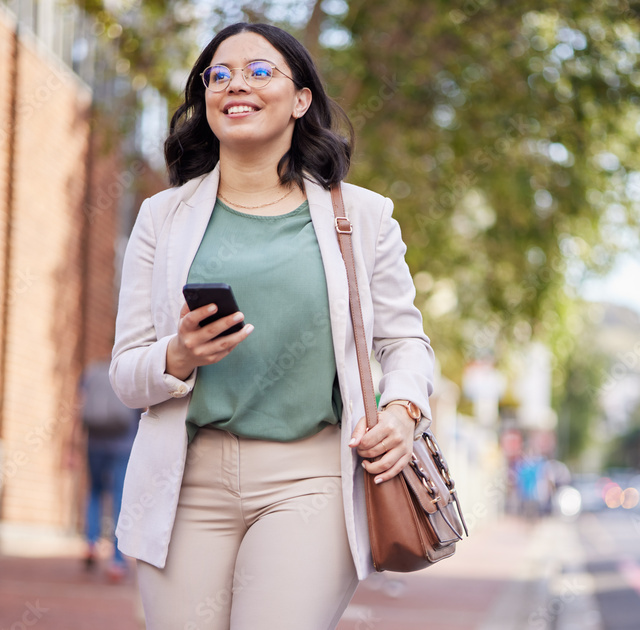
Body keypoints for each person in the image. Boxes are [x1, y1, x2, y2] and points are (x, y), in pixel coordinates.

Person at [109, 22, 434, 630]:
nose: (238, 85)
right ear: (205, 98)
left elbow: (403, 341)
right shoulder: (163, 218)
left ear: (301, 99)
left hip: (310, 480)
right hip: (185, 483)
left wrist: (403, 409)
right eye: (220, 74)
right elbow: (127, 376)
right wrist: (178, 355)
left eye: (261, 72)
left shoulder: (361, 216)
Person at [78, 358, 140, 582]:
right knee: (119, 499)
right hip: (123, 444)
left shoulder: (92, 372)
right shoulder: (133, 372)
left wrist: (72, 444)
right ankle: (116, 560)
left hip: (94, 442)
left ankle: (91, 542)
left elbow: (81, 407)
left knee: (94, 491)